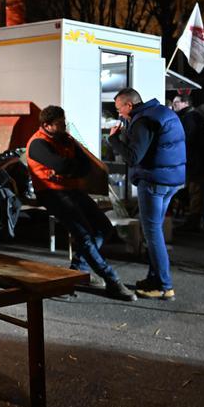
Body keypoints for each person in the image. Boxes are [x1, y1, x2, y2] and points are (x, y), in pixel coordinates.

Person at [27, 106, 135, 300]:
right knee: (84, 235)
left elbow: (84, 165)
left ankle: (76, 271)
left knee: (104, 227)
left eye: (63, 121)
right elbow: (63, 165)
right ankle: (112, 280)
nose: (64, 126)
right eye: (59, 123)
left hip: (72, 190)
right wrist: (70, 169)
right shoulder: (37, 144)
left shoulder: (66, 140)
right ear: (47, 126)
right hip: (51, 193)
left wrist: (69, 169)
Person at [108, 89, 185, 300]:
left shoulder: (143, 121)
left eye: (119, 109)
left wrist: (114, 140)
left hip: (153, 181)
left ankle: (163, 285)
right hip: (170, 179)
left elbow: (133, 157)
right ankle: (154, 278)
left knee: (152, 232)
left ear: (129, 105)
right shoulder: (160, 112)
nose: (119, 114)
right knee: (155, 230)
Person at [171, 94, 204, 230]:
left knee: (195, 191)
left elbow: (187, 139)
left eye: (176, 103)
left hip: (194, 161)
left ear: (185, 103)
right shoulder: (189, 116)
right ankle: (193, 219)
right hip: (192, 160)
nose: (173, 105)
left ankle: (194, 221)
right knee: (192, 191)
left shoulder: (190, 117)